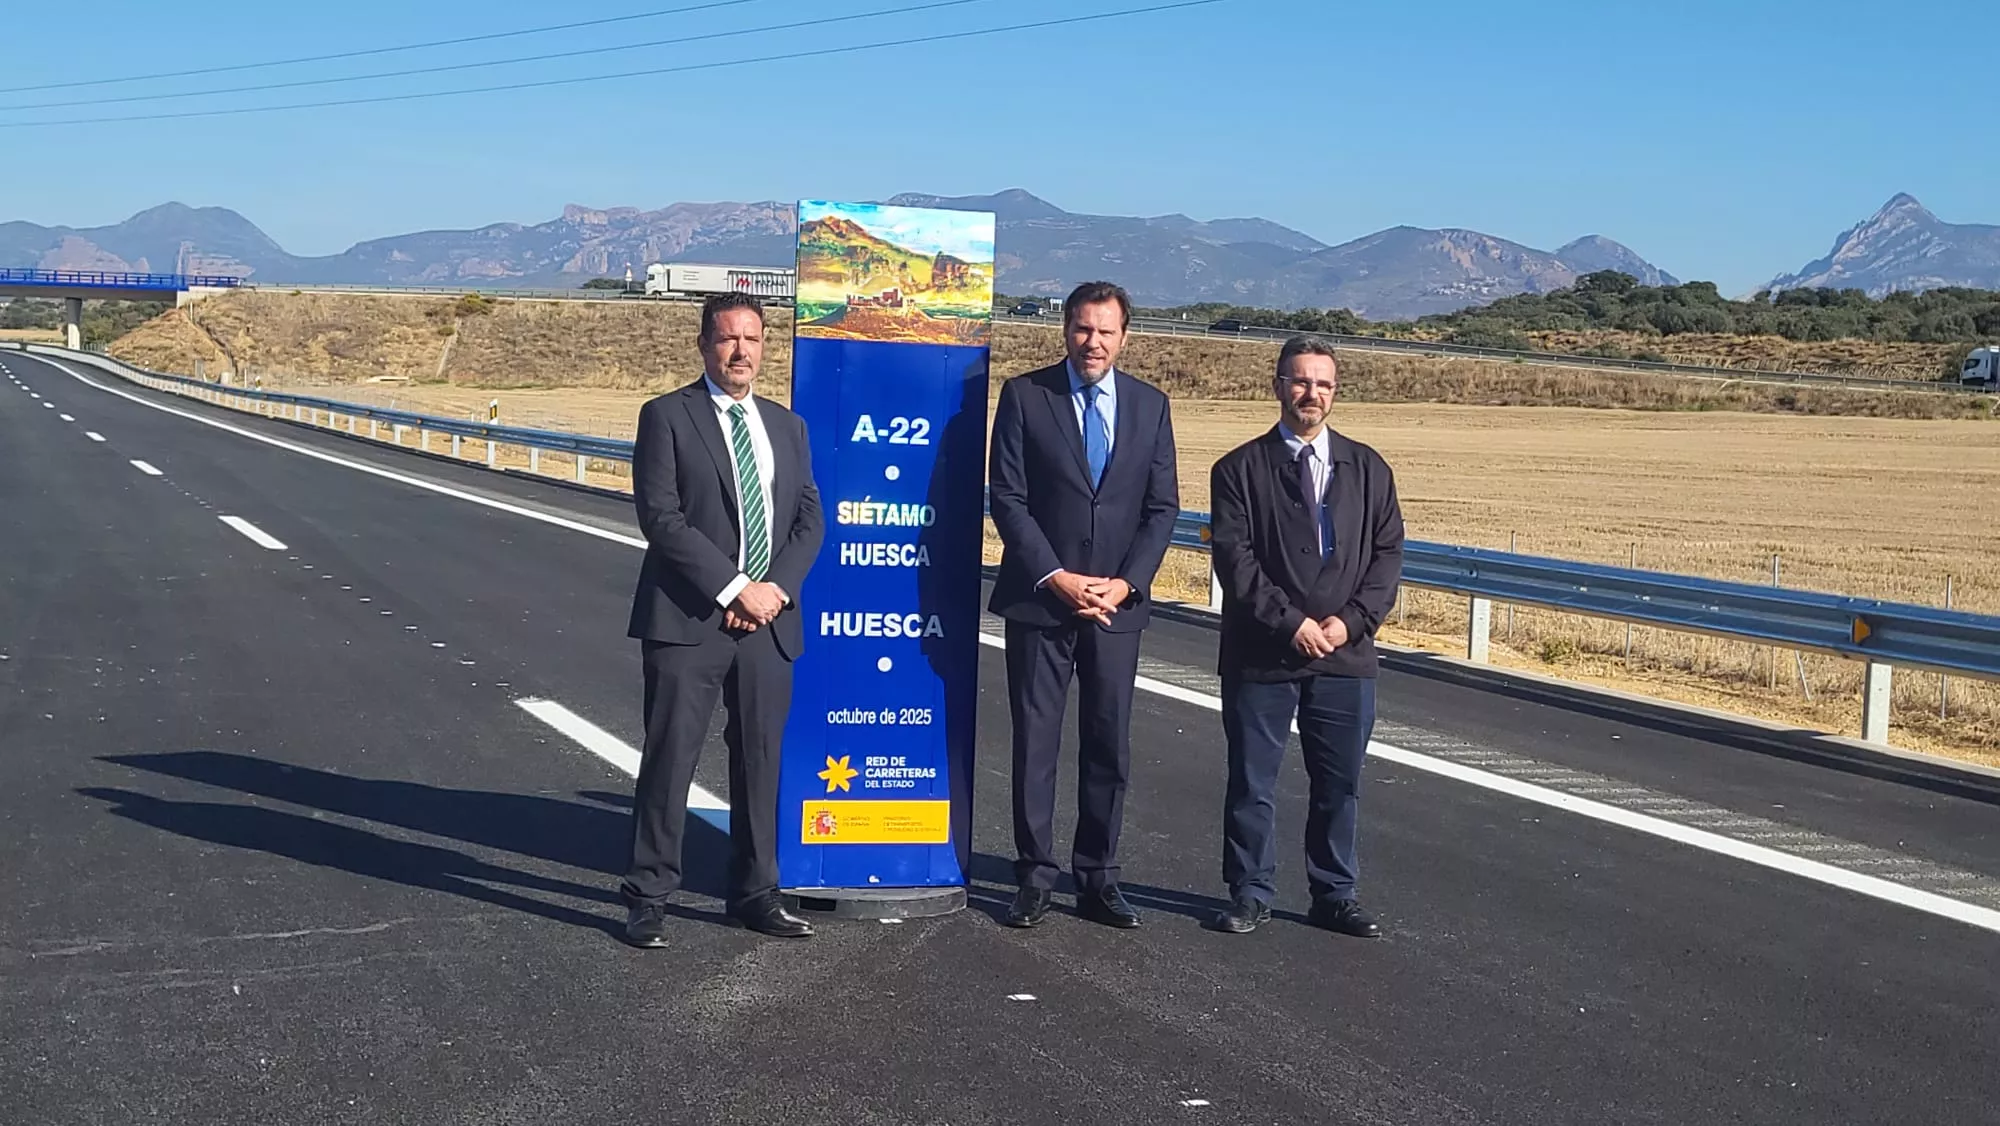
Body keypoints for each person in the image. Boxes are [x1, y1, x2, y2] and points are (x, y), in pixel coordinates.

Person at [621, 292, 825, 948]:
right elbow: (662, 518)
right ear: (704, 345)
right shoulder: (667, 416)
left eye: (753, 339)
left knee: (761, 760)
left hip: (770, 623)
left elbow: (809, 519)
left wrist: (773, 592)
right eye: (729, 339)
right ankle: (649, 895)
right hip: (689, 618)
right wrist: (735, 590)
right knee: (671, 757)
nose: (742, 351)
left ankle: (757, 892)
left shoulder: (787, 427)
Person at [987, 280, 1180, 929]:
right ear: (1065, 329)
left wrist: (1126, 584)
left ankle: (1098, 876)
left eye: (1105, 331)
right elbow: (1008, 497)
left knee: (1108, 745)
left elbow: (1162, 508)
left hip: (1116, 608)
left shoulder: (1151, 406)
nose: (1092, 342)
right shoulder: (1025, 396)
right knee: (1035, 744)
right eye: (1082, 328)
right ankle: (1035, 875)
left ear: (1124, 337)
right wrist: (1055, 576)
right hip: (1042, 603)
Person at [1206, 337, 1404, 938]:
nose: (1310, 393)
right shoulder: (1238, 470)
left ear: (1335, 392)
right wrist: (1291, 623)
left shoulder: (1369, 469)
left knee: (1339, 784)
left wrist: (1351, 622)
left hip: (1346, 655)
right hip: (1263, 653)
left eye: (1322, 384)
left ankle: (1334, 893)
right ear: (1278, 386)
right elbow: (1236, 561)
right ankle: (1250, 891)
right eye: (1299, 381)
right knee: (1252, 781)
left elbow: (1387, 556)